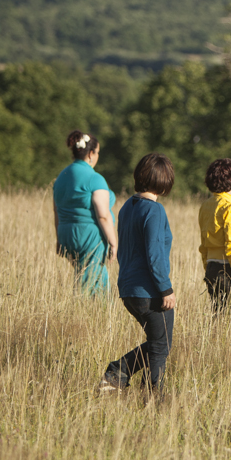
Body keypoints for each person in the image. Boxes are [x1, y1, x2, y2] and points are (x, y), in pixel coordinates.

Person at [100, 154, 176, 394]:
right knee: (161, 345)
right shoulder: (155, 210)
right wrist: (165, 289)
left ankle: (119, 375)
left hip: (128, 289)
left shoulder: (127, 207)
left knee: (157, 343)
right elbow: (155, 255)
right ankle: (149, 395)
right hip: (149, 291)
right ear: (164, 181)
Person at [53, 130, 116, 295]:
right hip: (89, 238)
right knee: (92, 285)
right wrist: (113, 242)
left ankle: (90, 308)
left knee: (86, 276)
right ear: (90, 154)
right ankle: (88, 308)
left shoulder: (61, 177)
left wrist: (59, 239)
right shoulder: (94, 178)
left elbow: (56, 211)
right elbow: (103, 215)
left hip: (66, 234)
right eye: (98, 152)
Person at [198, 158, 231, 329]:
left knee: (218, 321)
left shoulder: (206, 206)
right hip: (228, 269)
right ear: (229, 179)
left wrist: (207, 267)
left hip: (212, 268)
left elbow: (204, 244)